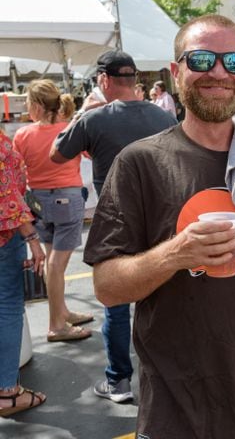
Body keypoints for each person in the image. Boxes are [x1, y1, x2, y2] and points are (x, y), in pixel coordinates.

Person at [85, 13, 235, 438]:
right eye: (201, 59)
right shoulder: (140, 163)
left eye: (233, 62)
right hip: (181, 406)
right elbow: (106, 285)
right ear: (176, 72)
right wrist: (176, 253)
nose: (219, 72)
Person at [50, 50, 177, 403]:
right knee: (162, 298)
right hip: (159, 216)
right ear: (134, 80)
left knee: (116, 301)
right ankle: (167, 379)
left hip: (115, 220)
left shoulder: (94, 119)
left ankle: (118, 379)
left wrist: (82, 115)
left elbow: (56, 154)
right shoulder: (164, 116)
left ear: (104, 80)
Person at [12, 80, 93, 342]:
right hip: (66, 200)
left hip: (37, 201)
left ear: (36, 106)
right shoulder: (70, 130)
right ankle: (56, 324)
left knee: (52, 262)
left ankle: (62, 313)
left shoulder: (23, 135)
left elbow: (17, 171)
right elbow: (91, 155)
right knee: (56, 266)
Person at [0, 130, 46, 417]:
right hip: (5, 235)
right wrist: (31, 238)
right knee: (8, 306)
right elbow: (5, 194)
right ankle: (7, 392)